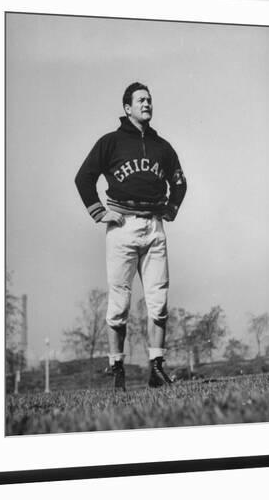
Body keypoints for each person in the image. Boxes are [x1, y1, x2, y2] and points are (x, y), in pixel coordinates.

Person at [75, 82, 187, 390]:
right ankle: (117, 366)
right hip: (121, 226)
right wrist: (99, 212)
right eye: (141, 100)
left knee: (158, 300)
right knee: (119, 302)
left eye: (150, 99)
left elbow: (179, 182)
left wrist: (171, 208)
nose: (147, 103)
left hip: (153, 226)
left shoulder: (162, 147)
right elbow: (84, 177)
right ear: (127, 108)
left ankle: (157, 367)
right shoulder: (110, 142)